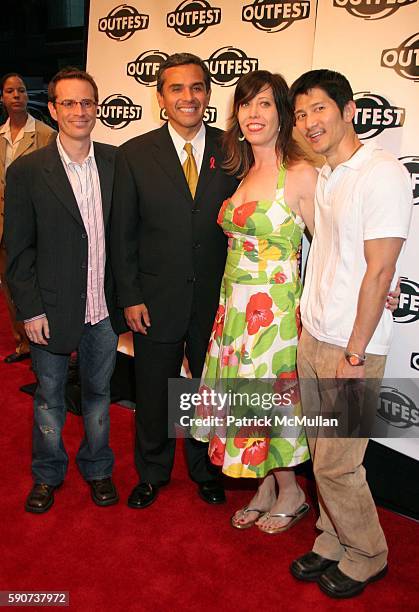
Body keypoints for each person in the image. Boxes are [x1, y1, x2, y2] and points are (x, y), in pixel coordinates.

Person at [288, 69, 412, 598]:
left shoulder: (381, 172)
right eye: (300, 114)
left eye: (319, 109)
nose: (309, 122)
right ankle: (332, 536)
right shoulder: (329, 175)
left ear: (349, 109)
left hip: (350, 347)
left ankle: (368, 552)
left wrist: (356, 351)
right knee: (323, 455)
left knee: (340, 462)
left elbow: (380, 270)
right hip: (316, 336)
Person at [193, 70, 319, 534]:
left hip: (276, 312)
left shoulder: (301, 174)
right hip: (234, 310)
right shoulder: (243, 171)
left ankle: (293, 491)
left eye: (265, 104)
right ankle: (266, 486)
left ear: (283, 113)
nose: (253, 114)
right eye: (246, 104)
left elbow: (328, 247)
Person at [111, 53, 238, 509]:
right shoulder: (133, 154)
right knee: (154, 390)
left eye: (197, 87)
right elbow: (121, 234)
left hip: (217, 300)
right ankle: (152, 472)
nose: (189, 97)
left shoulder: (233, 149)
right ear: (161, 97)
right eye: (178, 89)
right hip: (154, 299)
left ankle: (206, 470)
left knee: (209, 390)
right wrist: (129, 296)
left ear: (208, 93)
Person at [4, 67, 124, 513]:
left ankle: (98, 468)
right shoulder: (27, 171)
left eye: (87, 103)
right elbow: (17, 251)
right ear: (53, 109)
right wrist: (30, 310)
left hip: (104, 310)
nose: (79, 111)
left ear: (97, 108)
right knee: (50, 399)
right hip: (50, 311)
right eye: (69, 103)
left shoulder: (116, 163)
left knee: (98, 395)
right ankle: (48, 474)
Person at [0, 73, 56, 363]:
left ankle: (44, 341)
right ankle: (22, 342)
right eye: (10, 91)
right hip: (4, 225)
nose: (17, 95)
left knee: (37, 282)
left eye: (21, 90)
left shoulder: (46, 134)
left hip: (35, 225)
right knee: (11, 284)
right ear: (3, 98)